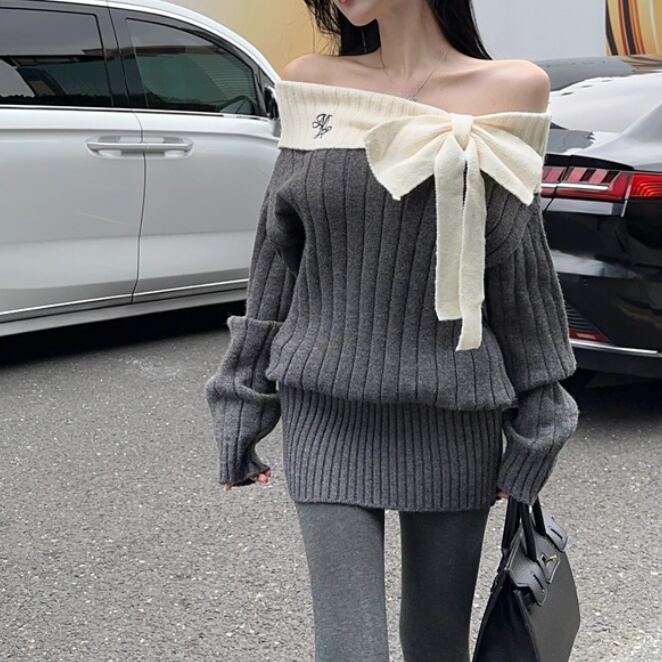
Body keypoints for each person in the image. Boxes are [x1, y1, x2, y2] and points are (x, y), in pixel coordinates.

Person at [204, 1, 580, 660]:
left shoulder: (515, 88)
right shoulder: (312, 81)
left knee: (436, 644)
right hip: (326, 410)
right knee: (350, 649)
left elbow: (519, 272)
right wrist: (242, 399)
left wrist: (542, 416)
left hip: (453, 415)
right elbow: (277, 254)